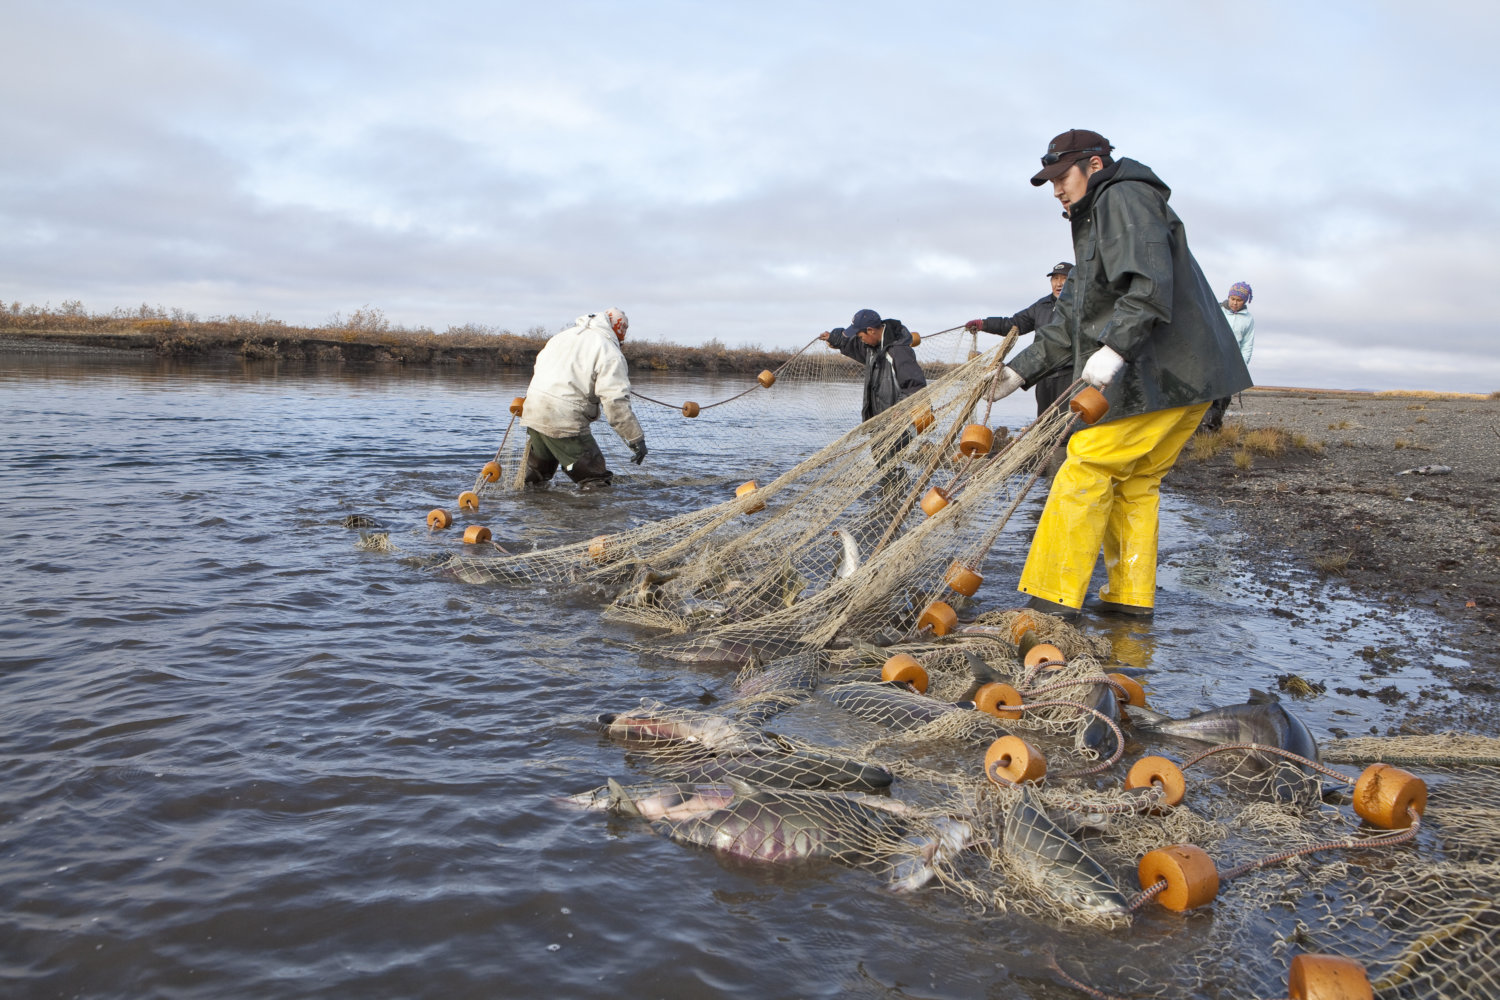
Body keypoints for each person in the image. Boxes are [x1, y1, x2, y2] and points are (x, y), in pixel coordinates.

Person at [986, 130, 1253, 619]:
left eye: (1062, 178)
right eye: (1050, 182)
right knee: (1136, 482)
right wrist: (1017, 374)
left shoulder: (1122, 196)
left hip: (1169, 372)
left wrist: (1114, 348)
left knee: (1086, 462)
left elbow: (1150, 286)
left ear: (1093, 165)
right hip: (1192, 376)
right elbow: (1070, 319)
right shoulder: (1095, 221)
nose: (1057, 191)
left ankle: (1050, 600)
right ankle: (1129, 605)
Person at [519, 307, 647, 489]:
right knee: (595, 479)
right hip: (564, 418)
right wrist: (636, 439)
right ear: (619, 330)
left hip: (533, 410)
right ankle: (588, 516)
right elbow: (615, 402)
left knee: (536, 477)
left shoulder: (563, 336)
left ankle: (527, 513)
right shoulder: (609, 351)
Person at [964, 262, 1075, 416]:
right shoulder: (1041, 306)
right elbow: (1013, 324)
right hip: (1043, 374)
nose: (1059, 283)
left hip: (1070, 374)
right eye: (1055, 278)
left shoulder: (1081, 305)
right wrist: (985, 324)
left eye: (1064, 278)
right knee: (1044, 423)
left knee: (1068, 421)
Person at [819, 309, 927, 422]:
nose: (861, 341)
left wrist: (902, 409)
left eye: (861, 337)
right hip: (881, 425)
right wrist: (833, 338)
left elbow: (916, 387)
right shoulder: (872, 348)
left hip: (901, 427)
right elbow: (854, 344)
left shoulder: (899, 352)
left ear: (870, 330)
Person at [1202, 282, 1256, 431]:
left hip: (1229, 364)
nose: (1234, 303)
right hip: (1210, 361)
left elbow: (1247, 346)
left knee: (1223, 398)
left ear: (1245, 301)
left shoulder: (1248, 320)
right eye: (1232, 298)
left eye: (1239, 300)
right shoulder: (1216, 310)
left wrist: (1240, 367)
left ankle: (1212, 429)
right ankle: (1198, 429)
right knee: (1205, 396)